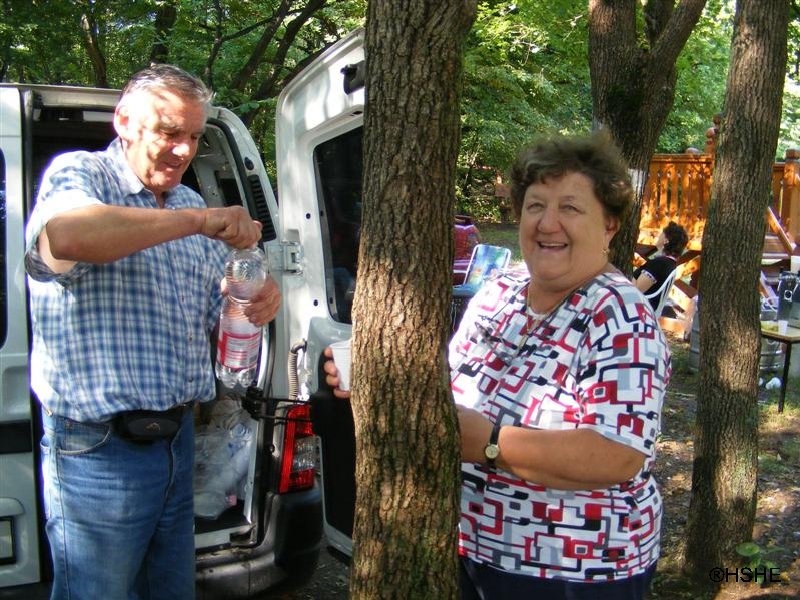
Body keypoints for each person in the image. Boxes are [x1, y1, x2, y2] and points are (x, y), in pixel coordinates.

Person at [324, 132, 669, 599]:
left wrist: (491, 443)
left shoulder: (621, 316)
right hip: (467, 548)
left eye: (570, 207)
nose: (547, 223)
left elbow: (618, 454)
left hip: (573, 572)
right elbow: (449, 385)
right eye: (535, 205)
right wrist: (377, 379)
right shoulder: (500, 291)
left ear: (609, 224)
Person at [25, 64, 281, 600]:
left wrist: (257, 295)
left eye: (194, 136)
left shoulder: (188, 202)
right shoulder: (82, 175)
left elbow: (216, 308)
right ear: (124, 121)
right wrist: (200, 222)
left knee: (171, 591)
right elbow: (66, 237)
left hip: (177, 438)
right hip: (98, 449)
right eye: (169, 131)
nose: (184, 150)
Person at [633, 221, 689, 313]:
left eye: (662, 234)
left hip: (640, 309)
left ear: (666, 240)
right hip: (648, 308)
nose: (659, 236)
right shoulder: (670, 263)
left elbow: (636, 290)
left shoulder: (659, 264)